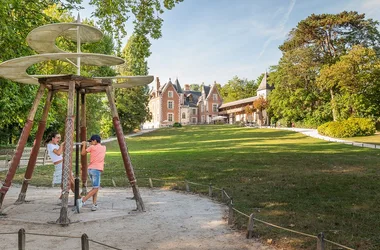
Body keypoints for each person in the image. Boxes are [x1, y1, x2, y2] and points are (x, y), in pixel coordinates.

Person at [76, 134, 106, 212]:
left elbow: (83, 153)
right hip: (97, 170)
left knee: (95, 188)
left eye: (91, 141)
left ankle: (94, 204)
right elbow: (96, 149)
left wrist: (84, 145)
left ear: (95, 141)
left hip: (91, 169)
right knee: (96, 188)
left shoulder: (92, 147)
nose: (90, 142)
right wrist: (87, 144)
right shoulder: (104, 148)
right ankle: (82, 200)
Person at [45, 132, 75, 197]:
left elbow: (62, 151)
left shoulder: (55, 145)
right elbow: (58, 153)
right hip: (59, 165)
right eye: (57, 138)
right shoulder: (50, 145)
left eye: (60, 138)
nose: (59, 139)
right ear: (53, 138)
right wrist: (61, 145)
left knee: (72, 180)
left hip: (63, 163)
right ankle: (77, 196)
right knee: (70, 181)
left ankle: (66, 195)